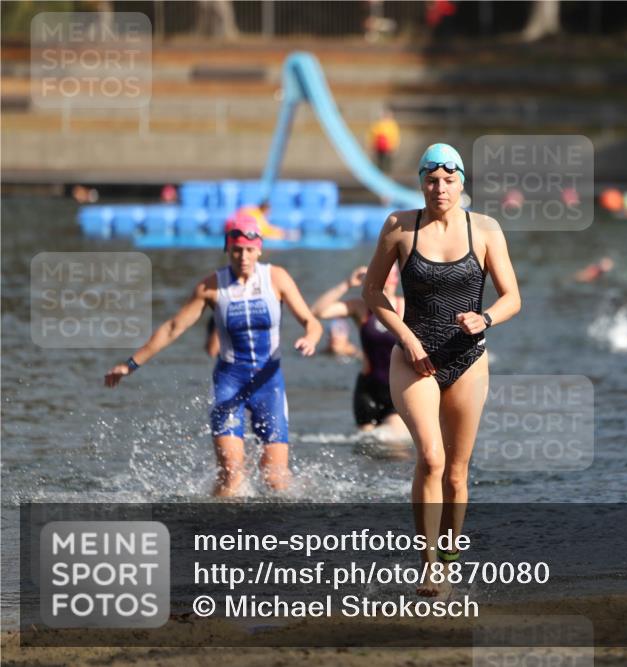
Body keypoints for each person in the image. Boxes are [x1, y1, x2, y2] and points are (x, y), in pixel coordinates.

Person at [361, 143, 520, 597]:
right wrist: (406, 337)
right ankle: (429, 564)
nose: (440, 188)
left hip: (469, 359)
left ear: (462, 182)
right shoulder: (399, 227)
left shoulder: (485, 230)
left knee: (456, 471)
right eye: (432, 180)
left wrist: (484, 317)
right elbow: (372, 291)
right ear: (421, 183)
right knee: (430, 458)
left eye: (449, 180)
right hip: (415, 359)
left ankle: (450, 557)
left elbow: (513, 297)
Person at [104, 215, 323, 497]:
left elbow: (311, 321)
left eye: (248, 250)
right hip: (230, 381)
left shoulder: (277, 278)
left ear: (259, 249)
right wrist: (131, 364)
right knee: (232, 475)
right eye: (236, 250)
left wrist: (311, 338)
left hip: (269, 384)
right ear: (227, 250)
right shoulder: (210, 287)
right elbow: (173, 327)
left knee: (276, 481)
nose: (242, 257)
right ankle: (218, 531)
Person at [311, 264, 409, 437]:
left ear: (395, 279)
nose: (382, 276)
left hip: (397, 389)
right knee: (367, 446)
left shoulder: (406, 307)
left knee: (393, 444)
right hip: (368, 390)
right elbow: (317, 312)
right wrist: (347, 284)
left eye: (387, 273)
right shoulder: (361, 307)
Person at [368, 108, 400, 173]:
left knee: (388, 162)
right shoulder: (377, 124)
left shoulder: (392, 124)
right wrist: (371, 145)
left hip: (389, 146)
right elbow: (372, 135)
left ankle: (387, 174)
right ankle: (380, 173)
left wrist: (395, 147)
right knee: (380, 161)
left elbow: (395, 137)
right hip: (379, 146)